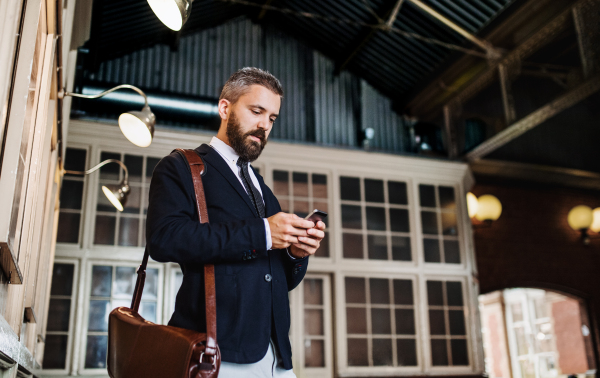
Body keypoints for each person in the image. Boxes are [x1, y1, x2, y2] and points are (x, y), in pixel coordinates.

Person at [146, 67, 325, 377]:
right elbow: (163, 239)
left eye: (271, 118)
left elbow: (278, 282)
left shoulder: (261, 187)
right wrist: (263, 232)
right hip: (217, 354)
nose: (264, 125)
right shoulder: (181, 166)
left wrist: (296, 255)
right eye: (257, 111)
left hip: (277, 356)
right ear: (225, 108)